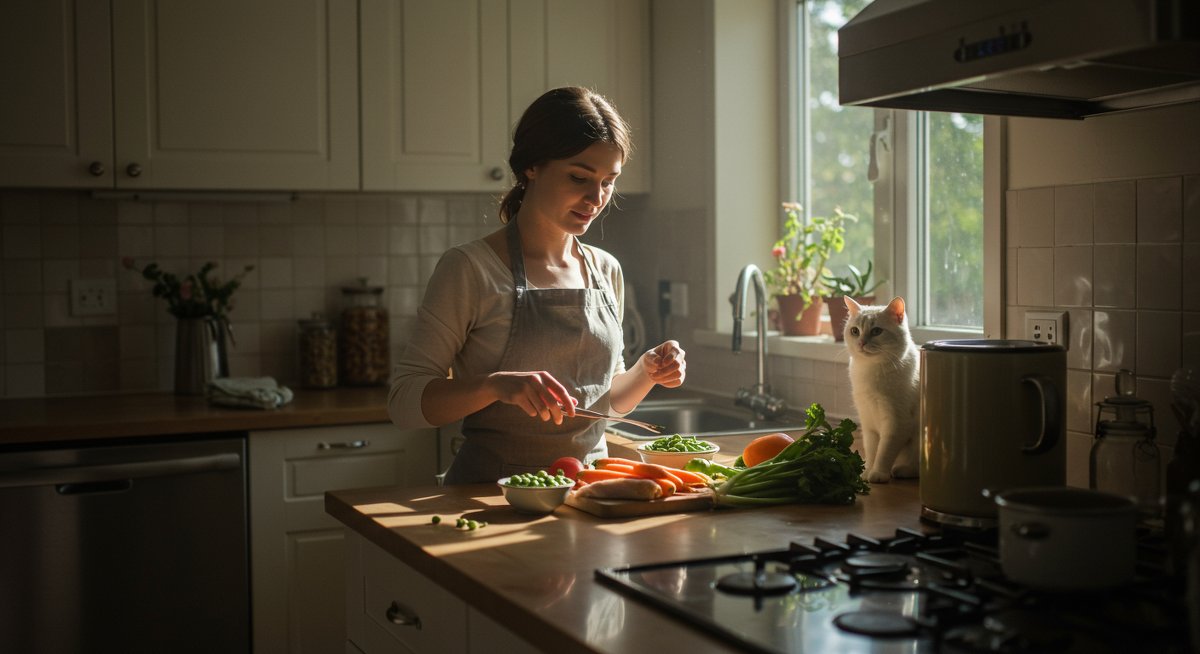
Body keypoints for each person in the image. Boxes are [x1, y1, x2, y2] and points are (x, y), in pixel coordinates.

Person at [388, 86, 687, 484]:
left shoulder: (605, 270)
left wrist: (647, 372)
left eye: (609, 181)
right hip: (490, 499)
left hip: (590, 494)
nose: (596, 197)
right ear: (531, 167)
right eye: (579, 177)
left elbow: (607, 403)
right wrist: (495, 387)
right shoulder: (471, 268)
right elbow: (405, 404)